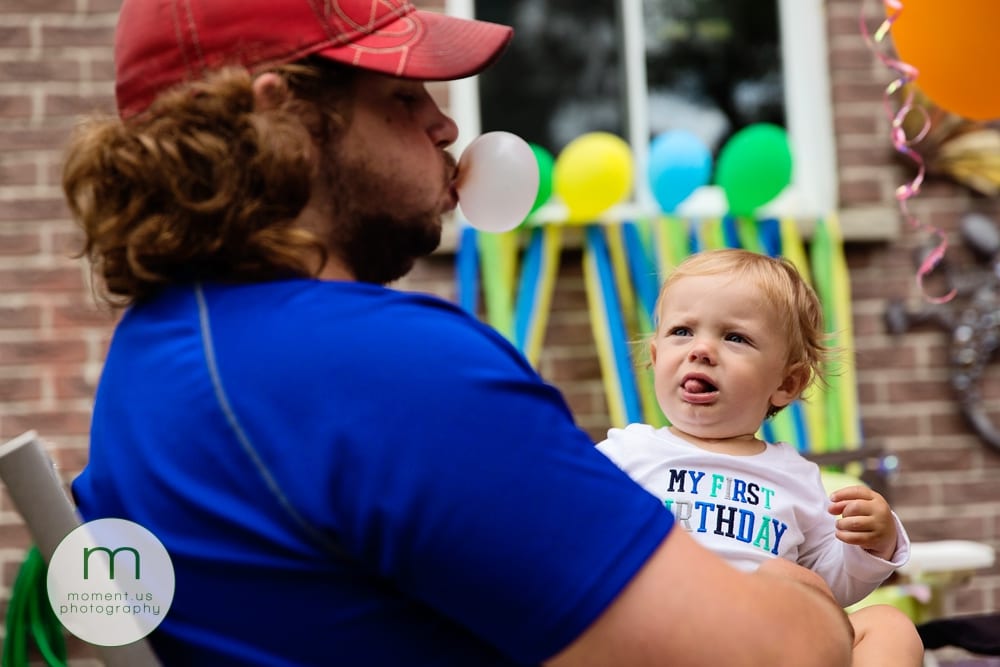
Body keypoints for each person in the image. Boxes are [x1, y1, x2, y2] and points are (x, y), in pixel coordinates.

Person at [64, 0, 857, 664]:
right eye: (401, 97)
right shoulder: (385, 367)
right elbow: (764, 656)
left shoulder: (150, 352)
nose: (445, 127)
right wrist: (817, 600)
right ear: (280, 116)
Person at [597, 248, 925, 666]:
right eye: (681, 331)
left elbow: (831, 587)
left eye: (735, 337)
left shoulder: (795, 475)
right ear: (657, 358)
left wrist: (874, 544)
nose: (700, 350)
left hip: (767, 645)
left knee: (886, 623)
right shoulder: (626, 454)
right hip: (660, 633)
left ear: (786, 383)